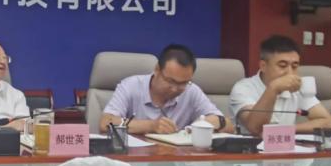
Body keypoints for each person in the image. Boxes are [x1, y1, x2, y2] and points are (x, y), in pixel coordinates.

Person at [99, 44, 234, 134]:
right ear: (157, 69)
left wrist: (212, 123)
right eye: (170, 81)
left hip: (179, 161)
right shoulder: (131, 86)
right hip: (136, 160)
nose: (175, 89)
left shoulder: (191, 90)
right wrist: (151, 126)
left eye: (182, 83)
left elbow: (229, 125)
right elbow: (106, 123)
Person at [230, 35, 331, 135]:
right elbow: (256, 128)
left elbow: (328, 123)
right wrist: (273, 89)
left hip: (287, 148)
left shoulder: (298, 87)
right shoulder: (243, 88)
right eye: (282, 66)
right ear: (263, 66)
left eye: (294, 66)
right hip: (251, 151)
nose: (290, 73)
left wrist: (288, 129)